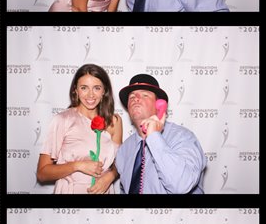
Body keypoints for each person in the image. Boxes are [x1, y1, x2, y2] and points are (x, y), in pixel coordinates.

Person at [37, 64, 122, 194]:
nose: (90, 94)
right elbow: (42, 173)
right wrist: (77, 166)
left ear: (104, 91)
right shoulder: (62, 120)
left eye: (97, 88)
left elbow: (120, 162)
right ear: (75, 90)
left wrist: (110, 177)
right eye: (84, 88)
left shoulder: (114, 121)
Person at [115, 73, 206, 194]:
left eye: (145, 95)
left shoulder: (183, 137)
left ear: (159, 105)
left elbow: (182, 185)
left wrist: (154, 137)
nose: (135, 98)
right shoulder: (124, 149)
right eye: (131, 96)